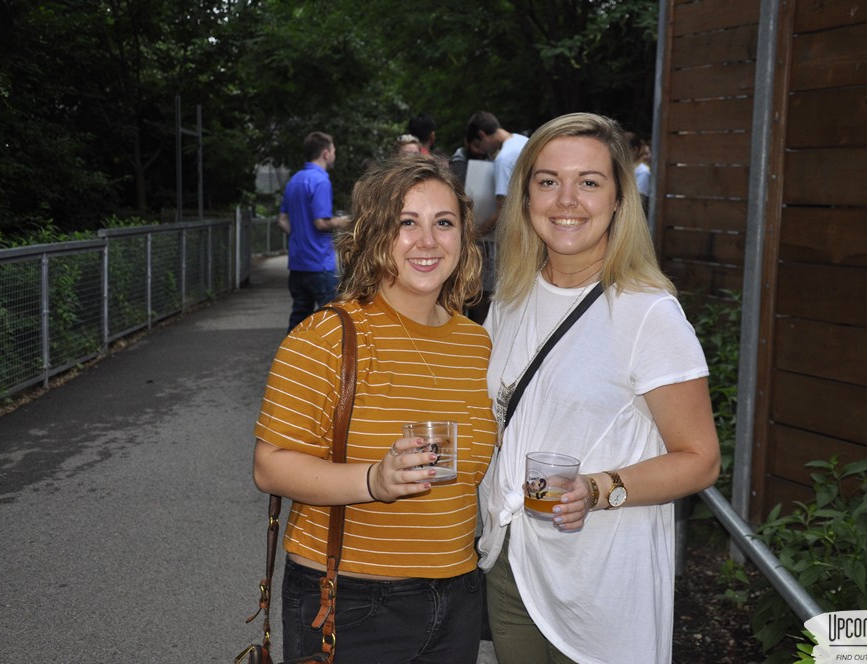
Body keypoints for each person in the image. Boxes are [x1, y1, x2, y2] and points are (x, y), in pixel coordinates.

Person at [477, 113, 721, 664]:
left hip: (602, 585)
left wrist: (596, 488)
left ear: (618, 200)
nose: (566, 200)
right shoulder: (509, 300)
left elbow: (700, 460)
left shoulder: (647, 312)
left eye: (588, 182)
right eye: (547, 182)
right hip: (514, 567)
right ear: (524, 196)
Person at [253, 154, 497, 664]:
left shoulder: (477, 343)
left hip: (458, 595)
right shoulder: (326, 336)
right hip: (351, 601)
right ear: (373, 235)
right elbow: (270, 465)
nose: (427, 241)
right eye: (406, 223)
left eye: (443, 223)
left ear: (463, 237)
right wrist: (372, 481)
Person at [278, 131, 350, 332]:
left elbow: (282, 221)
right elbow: (321, 223)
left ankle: (291, 361)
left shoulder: (295, 180)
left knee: (299, 320)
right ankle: (334, 362)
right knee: (336, 317)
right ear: (326, 153)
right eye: (334, 150)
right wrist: (346, 222)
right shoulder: (320, 181)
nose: (335, 154)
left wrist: (300, 236)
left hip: (297, 264)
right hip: (319, 264)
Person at [465, 110, 529, 236]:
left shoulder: (503, 159)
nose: (482, 151)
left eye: (478, 145)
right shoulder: (523, 140)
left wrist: (476, 234)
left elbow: (503, 211)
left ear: (482, 134)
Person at [625, 131, 653, 214]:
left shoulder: (643, 172)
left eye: (624, 150)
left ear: (634, 150)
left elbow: (640, 201)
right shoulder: (628, 169)